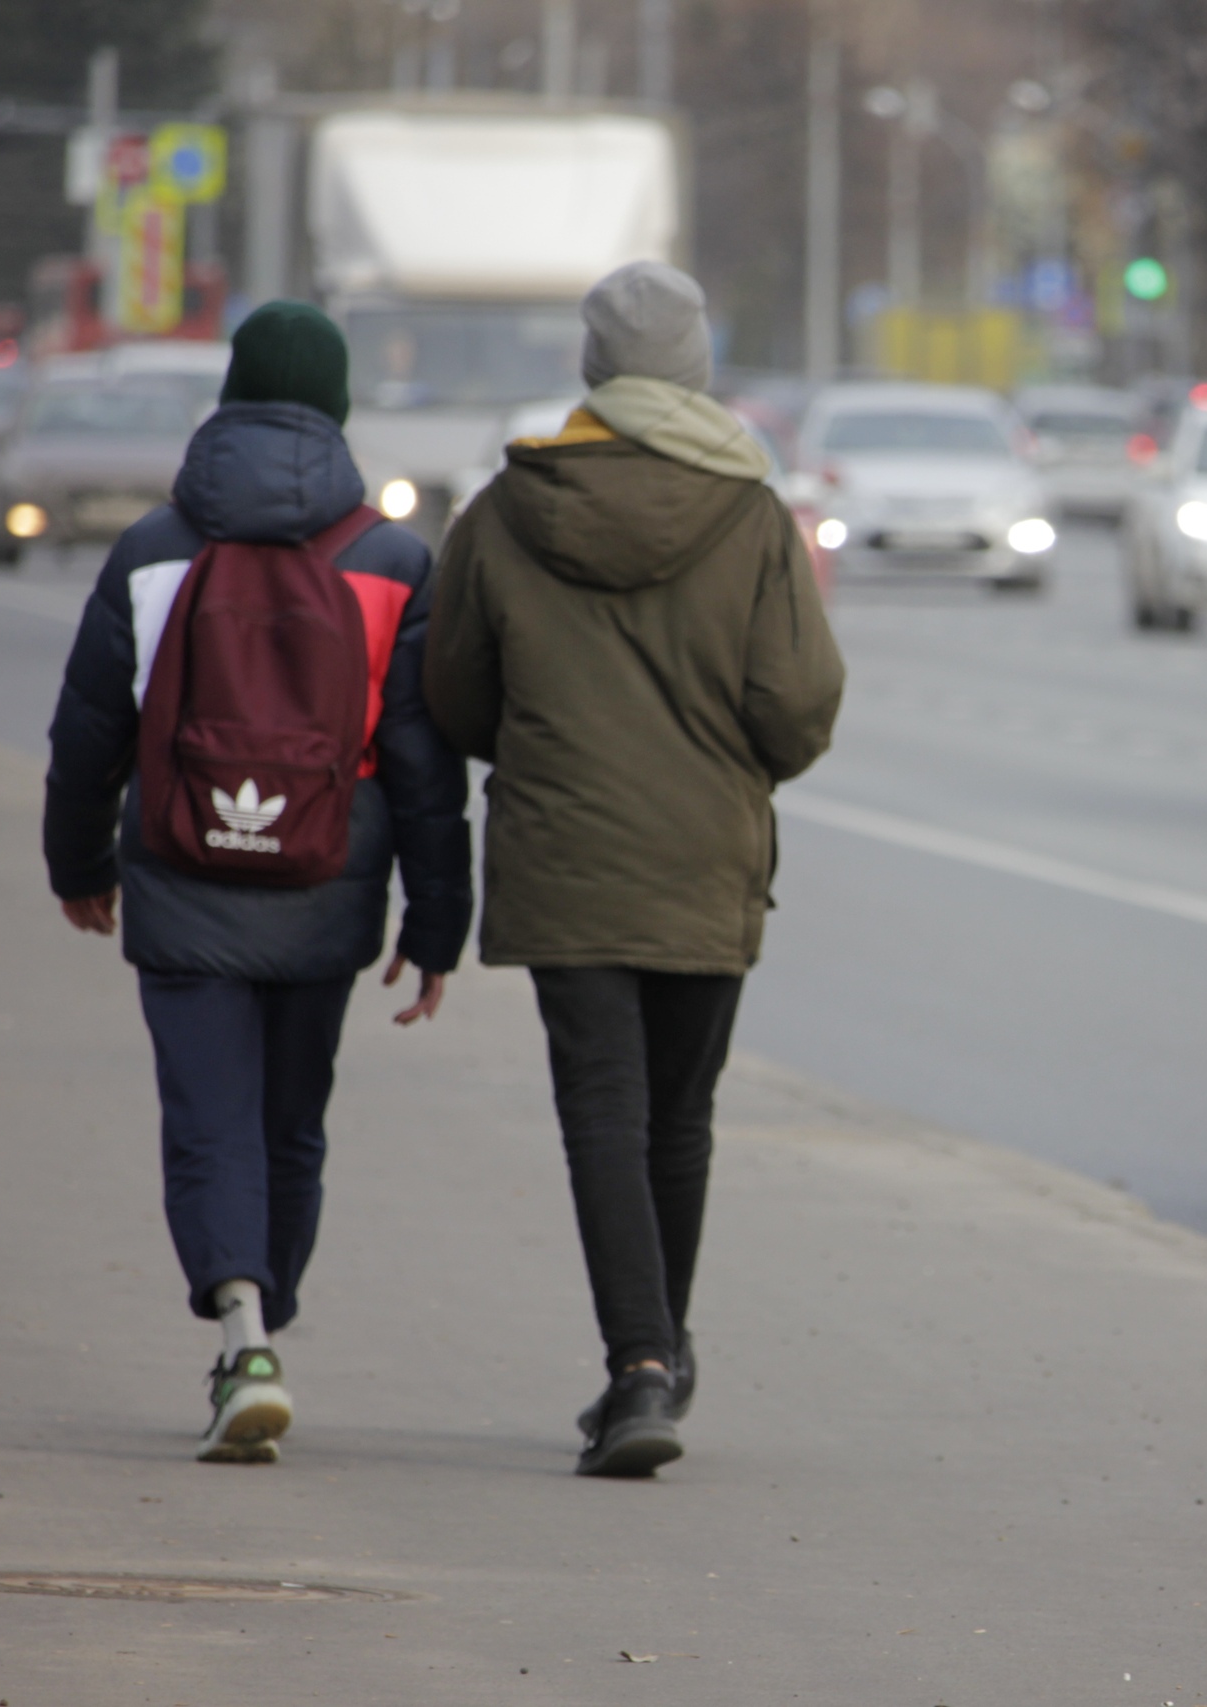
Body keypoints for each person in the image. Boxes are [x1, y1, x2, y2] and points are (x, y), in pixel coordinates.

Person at [424, 261, 843, 1478]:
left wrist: (553, 741)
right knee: (680, 1116)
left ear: (595, 368)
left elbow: (453, 695)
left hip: (567, 855)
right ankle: (658, 1355)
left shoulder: (509, 507)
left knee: (603, 1112)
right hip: (707, 853)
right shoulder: (754, 515)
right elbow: (798, 708)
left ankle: (640, 1366)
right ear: (700, 365)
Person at [43, 302, 472, 1463]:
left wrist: (77, 864)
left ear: (230, 395)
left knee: (207, 1122)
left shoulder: (154, 550)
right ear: (336, 407)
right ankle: (259, 1334)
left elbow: (88, 732)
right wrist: (437, 923)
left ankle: (243, 1339)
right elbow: (425, 767)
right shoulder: (388, 559)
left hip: (179, 876)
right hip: (329, 885)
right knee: (291, 1126)